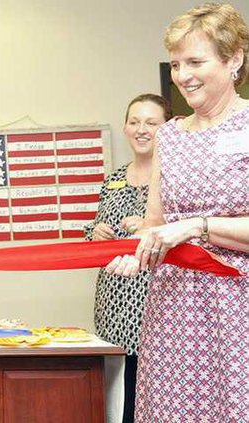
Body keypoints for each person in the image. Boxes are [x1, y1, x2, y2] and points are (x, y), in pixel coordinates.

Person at [106, 3, 249, 421]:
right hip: (175, 311)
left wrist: (197, 227)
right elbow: (154, 227)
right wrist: (134, 258)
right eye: (175, 64)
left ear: (234, 59)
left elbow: (180, 227)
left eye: (195, 62)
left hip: (237, 307)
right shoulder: (169, 137)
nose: (183, 76)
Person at [84, 93, 171, 423]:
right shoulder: (112, 180)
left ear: (169, 129)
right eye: (134, 122)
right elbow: (93, 233)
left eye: (151, 122)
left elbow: (193, 236)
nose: (142, 129)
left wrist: (154, 226)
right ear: (125, 128)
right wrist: (95, 234)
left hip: (160, 306)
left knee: (156, 399)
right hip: (113, 307)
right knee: (118, 401)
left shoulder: (176, 180)